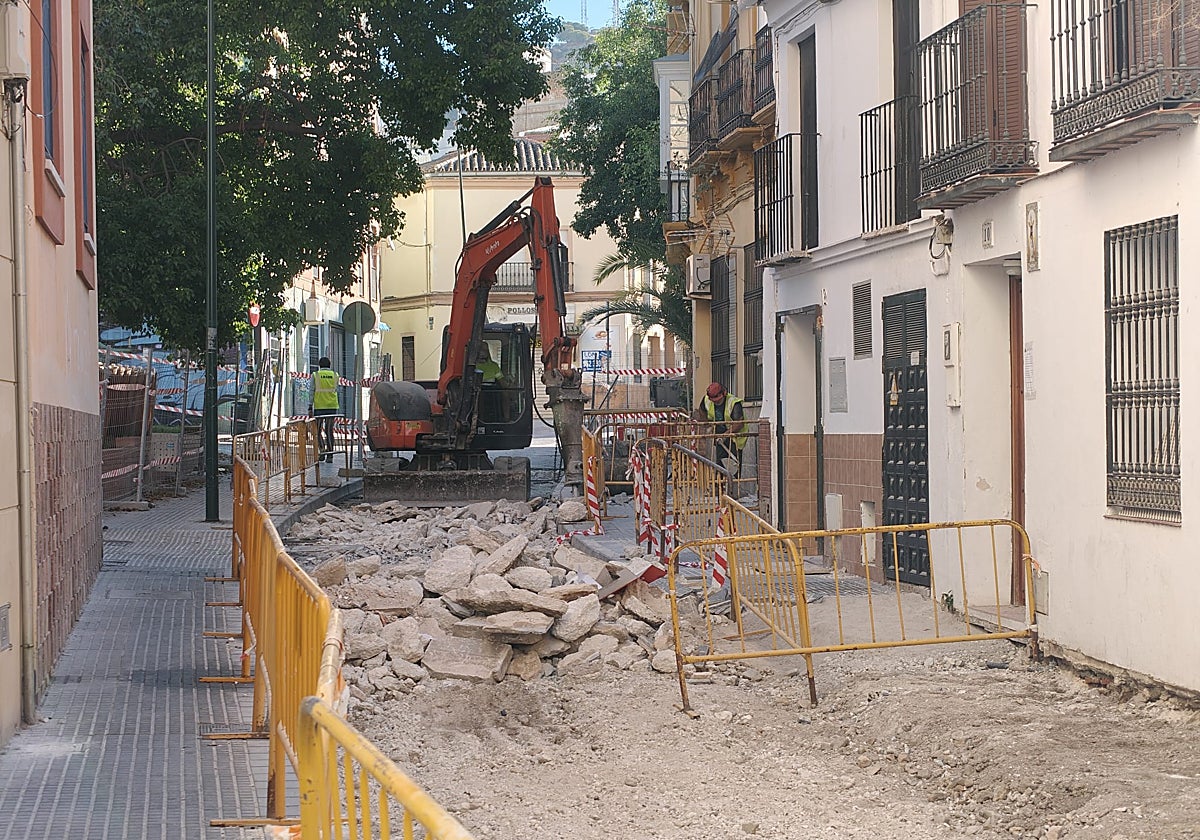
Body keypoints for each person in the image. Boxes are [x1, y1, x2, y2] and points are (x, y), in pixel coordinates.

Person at [697, 381, 746, 475]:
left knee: (734, 465)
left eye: (718, 400)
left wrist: (726, 435)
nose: (716, 402)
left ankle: (734, 485)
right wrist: (706, 424)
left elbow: (739, 423)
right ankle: (720, 485)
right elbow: (702, 412)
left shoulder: (733, 402)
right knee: (720, 464)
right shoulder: (707, 400)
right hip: (720, 434)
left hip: (735, 437)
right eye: (714, 400)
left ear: (723, 394)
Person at [312, 356, 340, 462]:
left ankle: (322, 451)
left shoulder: (315, 375)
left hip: (319, 407)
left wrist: (310, 406)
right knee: (329, 431)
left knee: (317, 431)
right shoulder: (335, 375)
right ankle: (330, 455)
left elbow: (311, 391)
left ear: (319, 365)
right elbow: (337, 389)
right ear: (329, 365)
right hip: (332, 407)